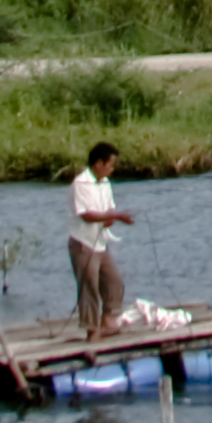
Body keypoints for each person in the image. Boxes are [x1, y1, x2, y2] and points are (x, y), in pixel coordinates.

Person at [68, 141, 133, 337]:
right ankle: (91, 330)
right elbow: (86, 214)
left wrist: (112, 218)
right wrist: (116, 216)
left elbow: (108, 209)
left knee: (114, 283)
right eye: (110, 165)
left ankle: (108, 321)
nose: (112, 169)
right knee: (89, 286)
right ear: (99, 163)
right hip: (83, 243)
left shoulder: (105, 184)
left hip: (100, 243)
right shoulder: (81, 183)